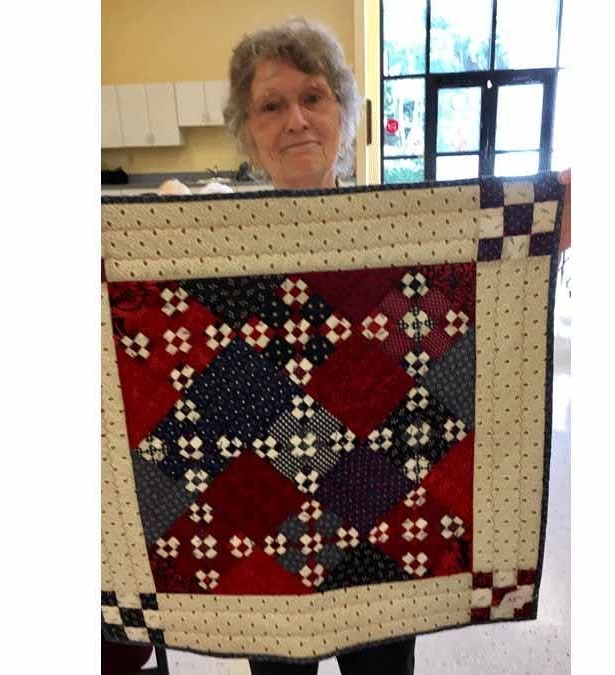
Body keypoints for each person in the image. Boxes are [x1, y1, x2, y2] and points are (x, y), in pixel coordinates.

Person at [220, 17, 571, 675]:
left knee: (380, 669)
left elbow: (468, 319)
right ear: (247, 129)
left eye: (314, 97)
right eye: (271, 105)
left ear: (344, 116)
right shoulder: (209, 246)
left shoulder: (402, 238)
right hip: (261, 500)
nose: (296, 118)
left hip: (374, 498)